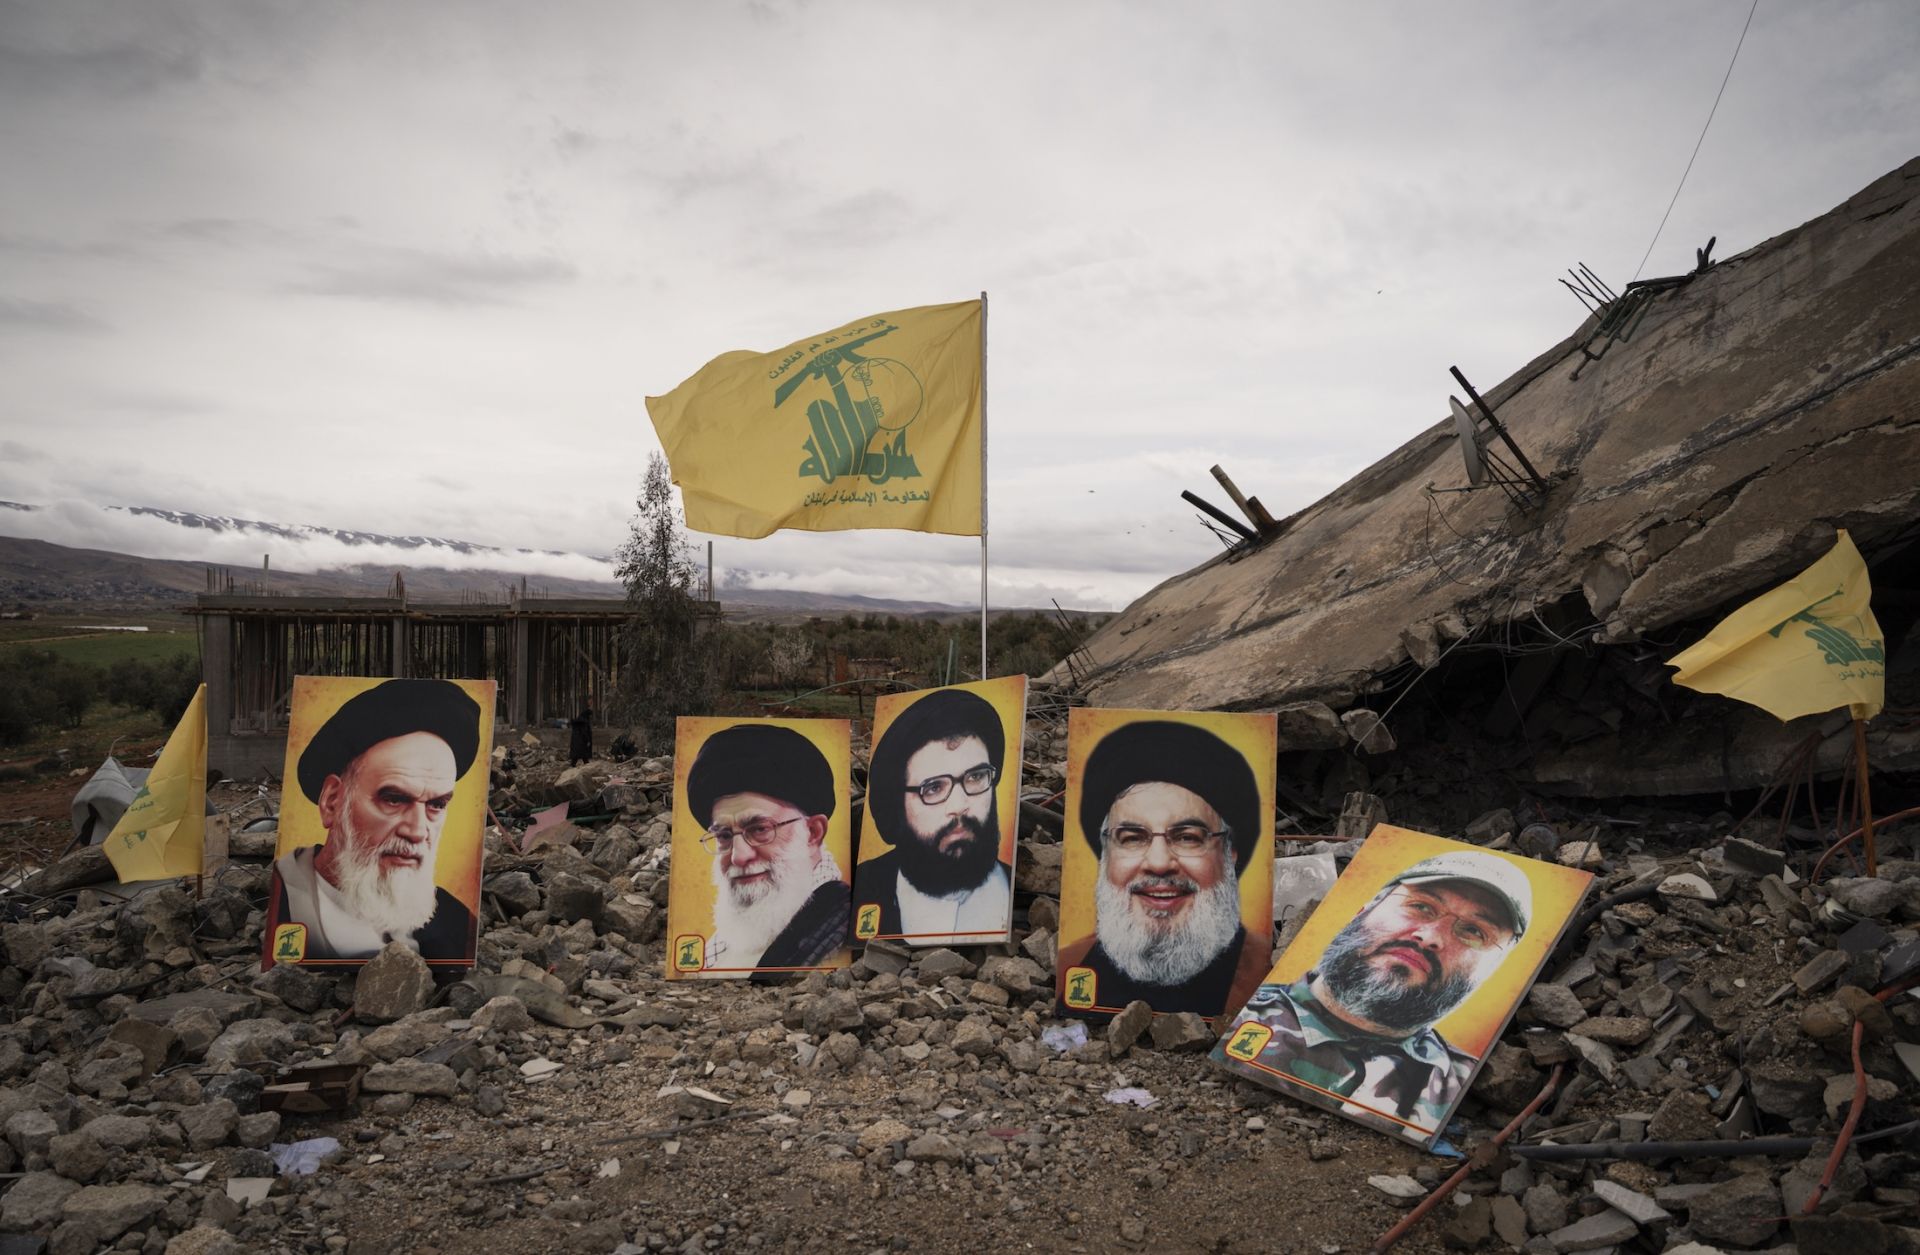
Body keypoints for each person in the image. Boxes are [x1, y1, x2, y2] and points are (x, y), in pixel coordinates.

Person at [1222, 851, 1533, 1136]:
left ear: (1494, 966)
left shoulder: (1460, 1078)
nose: (1429, 937)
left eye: (1473, 931)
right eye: (1421, 906)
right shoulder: (1245, 1018)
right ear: (1364, 909)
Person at [1057, 720, 1270, 1017]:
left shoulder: (1269, 977)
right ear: (1106, 853)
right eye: (1132, 838)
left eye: (1187, 838)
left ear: (1230, 853)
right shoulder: (1072, 965)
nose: (1158, 863)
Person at [266, 679, 481, 963]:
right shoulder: (285, 904)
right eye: (393, 800)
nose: (417, 832)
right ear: (332, 801)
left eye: (436, 805)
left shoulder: (456, 922)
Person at [853, 688, 1013, 943]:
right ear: (898, 806)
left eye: (975, 777)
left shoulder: (1020, 892)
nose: (960, 805)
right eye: (934, 788)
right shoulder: (859, 890)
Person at [686, 723, 849, 973]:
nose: (739, 856)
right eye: (725, 836)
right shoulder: (717, 946)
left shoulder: (839, 926)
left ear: (813, 833)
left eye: (760, 829)